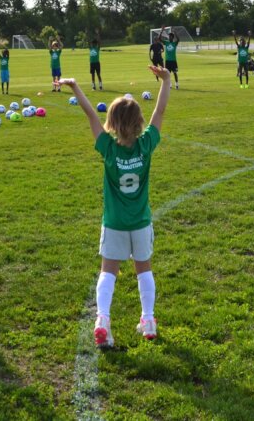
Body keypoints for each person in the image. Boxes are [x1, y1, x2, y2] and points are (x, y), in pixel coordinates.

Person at [58, 64, 171, 348]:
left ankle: (102, 321)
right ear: (138, 123)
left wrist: (75, 87)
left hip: (114, 223)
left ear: (111, 123)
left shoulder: (107, 148)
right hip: (141, 222)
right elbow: (160, 112)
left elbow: (88, 113)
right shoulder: (146, 146)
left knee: (108, 271)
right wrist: (166, 81)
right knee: (144, 269)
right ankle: (148, 319)